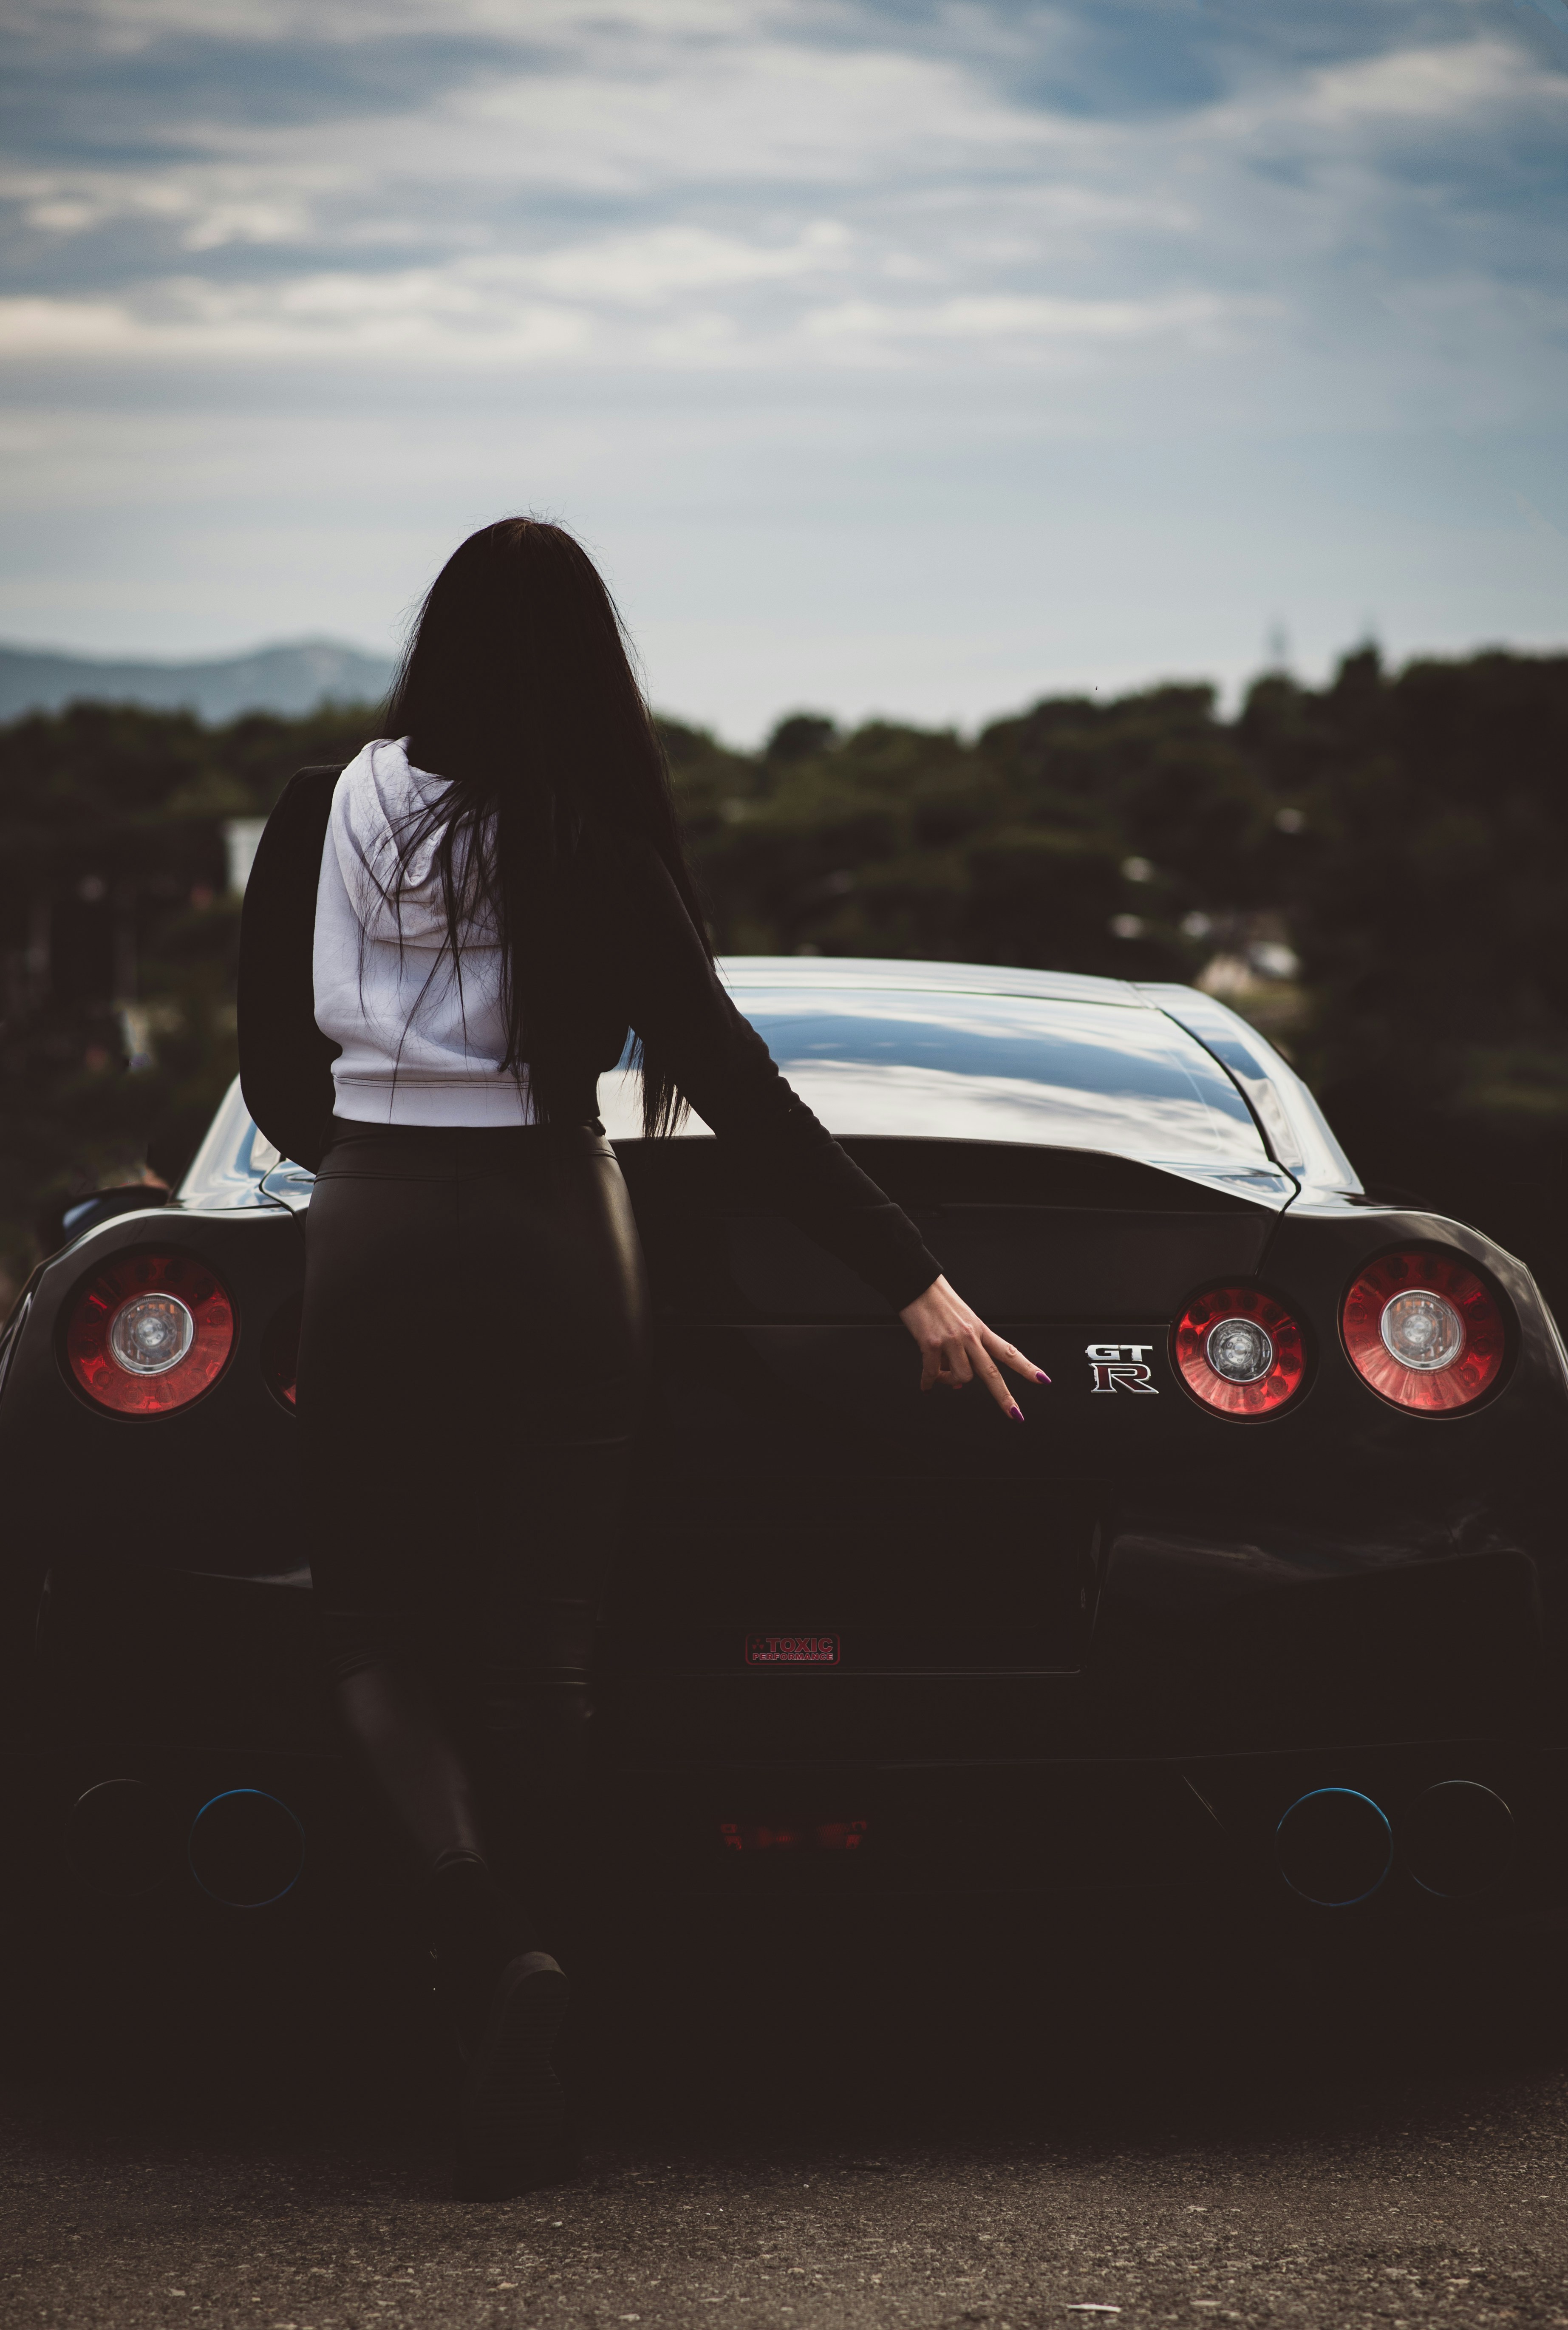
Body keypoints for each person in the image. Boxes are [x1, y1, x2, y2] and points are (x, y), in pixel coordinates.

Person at [236, 518, 1045, 2198]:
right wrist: (912, 1281)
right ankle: (540, 2003)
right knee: (543, 1657)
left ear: (435, 642)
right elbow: (734, 1087)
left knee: (375, 1626)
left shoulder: (319, 809)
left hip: (377, 1223)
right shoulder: (597, 834)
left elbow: (269, 1069)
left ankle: (473, 1943)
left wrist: (374, 1168)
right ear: (588, 663)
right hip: (557, 1235)